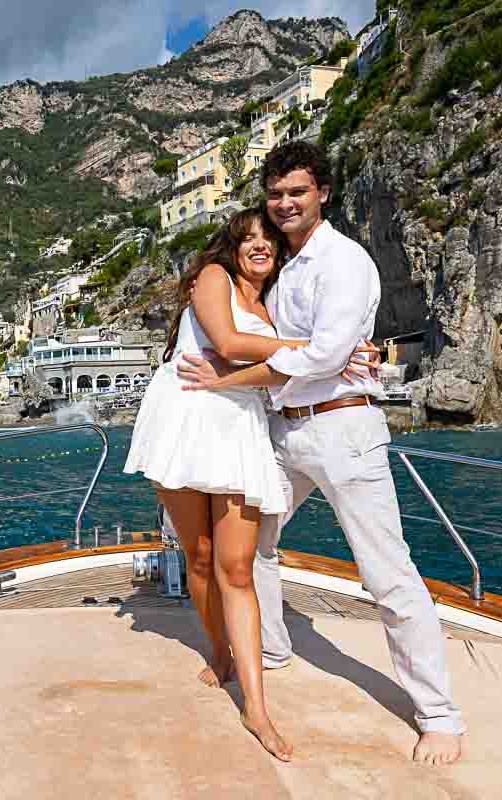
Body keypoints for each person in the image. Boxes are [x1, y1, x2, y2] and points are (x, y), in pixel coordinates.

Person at [176, 140, 466, 765]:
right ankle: (272, 650)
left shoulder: (346, 262)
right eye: (275, 194)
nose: (283, 204)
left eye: (296, 192)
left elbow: (318, 358)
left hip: (343, 431)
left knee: (387, 572)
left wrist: (242, 377)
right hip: (282, 430)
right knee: (250, 548)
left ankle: (439, 716)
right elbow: (274, 345)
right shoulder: (279, 269)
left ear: (323, 194)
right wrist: (307, 357)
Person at [124, 208, 300, 762]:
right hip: (188, 415)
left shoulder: (275, 305)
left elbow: (280, 375)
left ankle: (257, 707)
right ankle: (220, 651)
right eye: (247, 238)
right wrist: (310, 349)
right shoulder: (213, 277)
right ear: (231, 244)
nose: (259, 246)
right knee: (198, 558)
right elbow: (224, 341)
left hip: (241, 424)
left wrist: (310, 353)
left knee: (237, 568)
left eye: (269, 239)